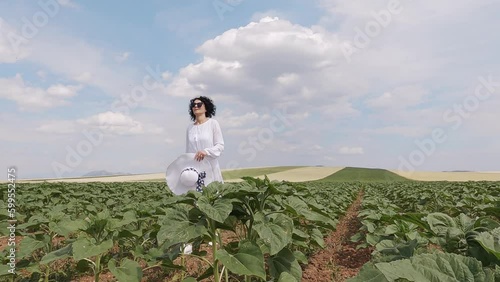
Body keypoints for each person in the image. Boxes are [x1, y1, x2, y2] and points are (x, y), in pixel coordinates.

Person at [185, 96, 224, 184]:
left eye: (199, 104)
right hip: (196, 169)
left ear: (206, 108)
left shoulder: (213, 123)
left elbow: (220, 146)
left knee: (211, 194)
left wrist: (206, 151)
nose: (195, 106)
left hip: (211, 166)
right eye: (193, 105)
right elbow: (188, 151)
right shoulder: (190, 128)